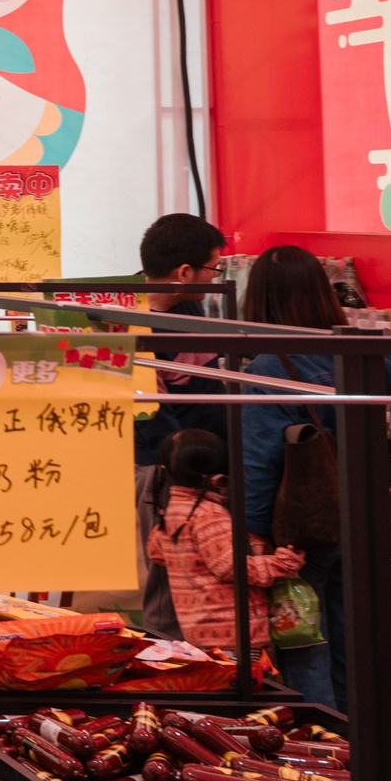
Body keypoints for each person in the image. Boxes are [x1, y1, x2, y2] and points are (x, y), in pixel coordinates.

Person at [237, 244, 391, 708]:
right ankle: (365, 752)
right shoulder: (354, 350)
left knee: (305, 647)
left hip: (301, 534)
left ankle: (326, 758)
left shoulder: (269, 366)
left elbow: (259, 460)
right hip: (363, 519)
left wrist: (254, 537)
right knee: (355, 646)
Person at [130, 212, 230, 641]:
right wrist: (188, 471)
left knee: (204, 574)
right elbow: (149, 412)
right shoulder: (129, 317)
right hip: (164, 465)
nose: (218, 276)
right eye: (215, 267)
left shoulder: (190, 306)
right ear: (184, 272)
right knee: (169, 575)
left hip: (204, 462)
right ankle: (168, 664)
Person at [146, 428, 299, 653]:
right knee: (243, 686)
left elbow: (156, 551)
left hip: (198, 629)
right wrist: (282, 563)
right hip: (231, 631)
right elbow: (231, 567)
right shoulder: (208, 514)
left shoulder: (174, 509)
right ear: (219, 476)